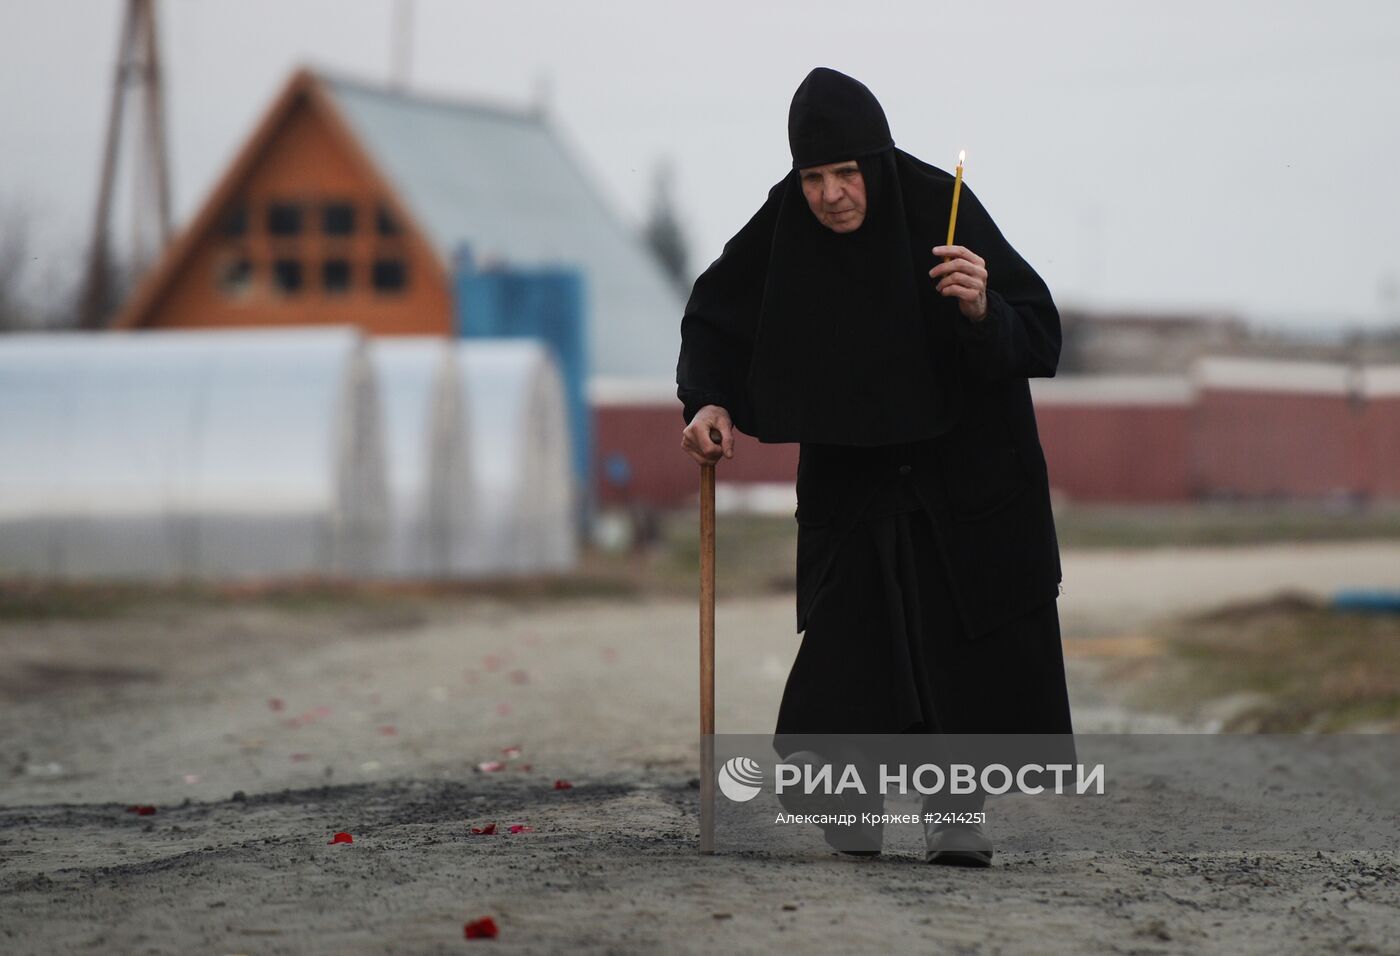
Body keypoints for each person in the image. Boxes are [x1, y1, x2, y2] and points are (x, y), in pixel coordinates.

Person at [676, 67, 1075, 866]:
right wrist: (707, 403)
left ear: (878, 162)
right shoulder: (784, 224)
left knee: (956, 651)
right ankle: (848, 805)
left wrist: (979, 308)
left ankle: (956, 815)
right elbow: (716, 318)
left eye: (845, 172)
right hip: (852, 476)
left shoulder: (941, 208)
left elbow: (1038, 335)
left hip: (962, 474)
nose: (829, 194)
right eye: (814, 176)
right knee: (848, 650)